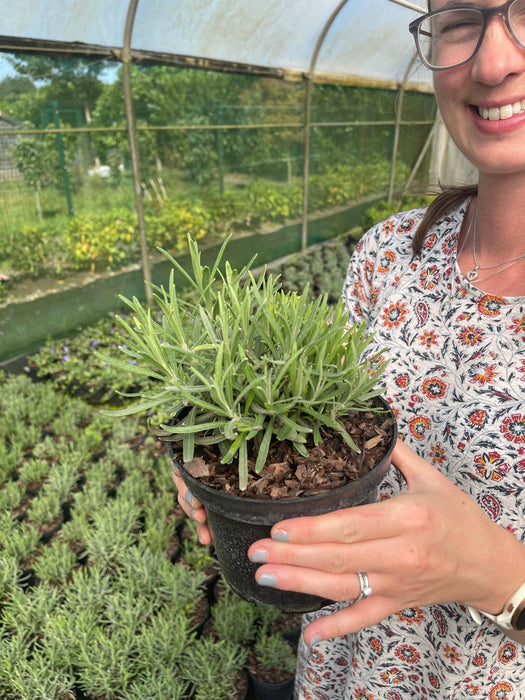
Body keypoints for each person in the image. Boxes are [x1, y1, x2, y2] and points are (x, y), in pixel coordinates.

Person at [173, 0, 525, 696]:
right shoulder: (390, 253)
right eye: (459, 19)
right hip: (348, 670)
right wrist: (233, 452)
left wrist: (497, 576)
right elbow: (330, 425)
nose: (491, 61)